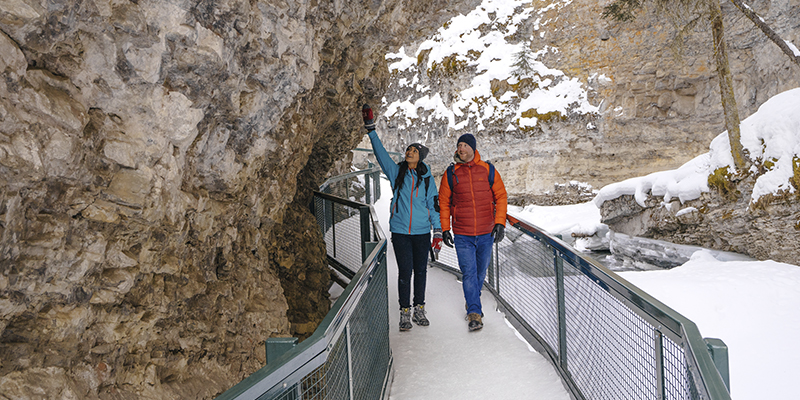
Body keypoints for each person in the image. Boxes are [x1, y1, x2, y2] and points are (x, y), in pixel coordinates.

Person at [362, 104, 443, 331]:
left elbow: (433, 206)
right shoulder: (397, 172)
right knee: (405, 271)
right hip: (399, 232)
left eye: (413, 151)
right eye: (408, 150)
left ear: (420, 157)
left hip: (420, 232)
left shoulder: (427, 179)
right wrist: (371, 129)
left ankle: (419, 308)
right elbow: (381, 155)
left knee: (421, 271)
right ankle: (404, 312)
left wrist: (437, 232)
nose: (408, 153)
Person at [438, 133, 507, 331]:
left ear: (473, 149)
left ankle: (471, 300)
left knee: (480, 273)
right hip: (463, 233)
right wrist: (445, 228)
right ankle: (474, 313)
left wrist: (500, 222)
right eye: (459, 145)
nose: (461, 149)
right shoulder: (451, 174)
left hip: (486, 232)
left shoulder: (488, 170)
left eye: (465, 145)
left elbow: (501, 196)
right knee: (469, 273)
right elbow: (443, 203)